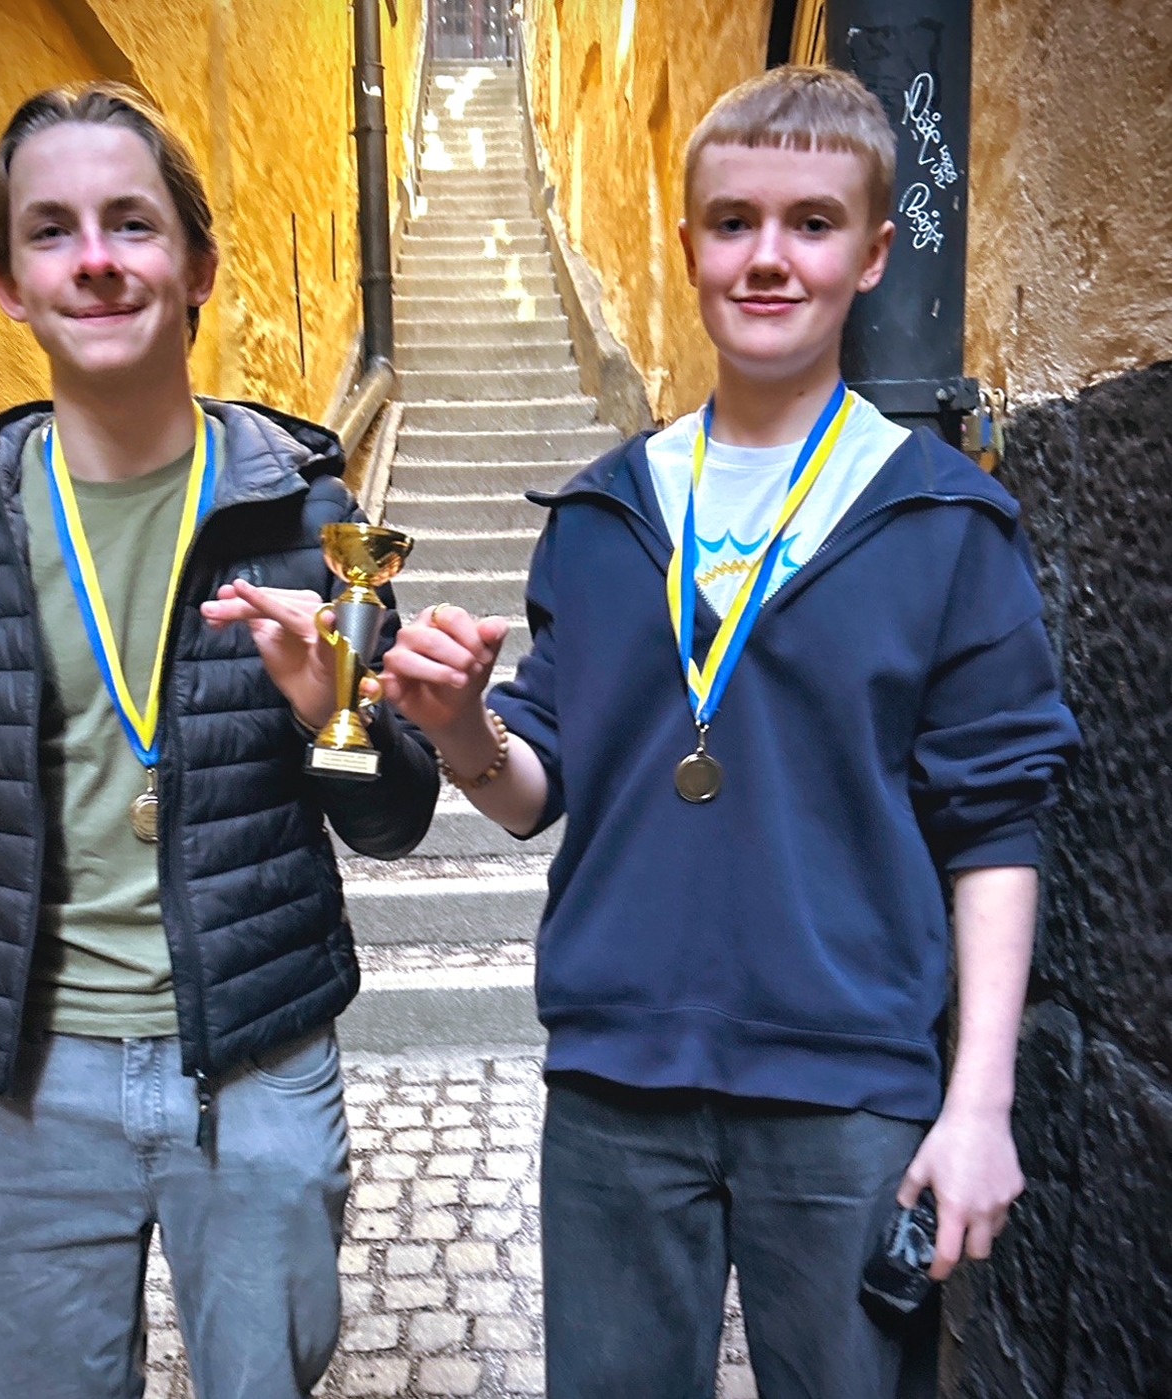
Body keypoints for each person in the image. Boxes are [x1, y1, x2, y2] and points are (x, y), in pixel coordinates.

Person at [379, 65, 1079, 1399]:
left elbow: (996, 827)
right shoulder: (603, 516)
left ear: (872, 254)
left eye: (812, 223)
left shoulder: (945, 521)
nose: (768, 257)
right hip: (616, 1081)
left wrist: (978, 1103)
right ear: (688, 242)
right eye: (732, 221)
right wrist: (462, 724)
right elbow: (531, 790)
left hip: (847, 1091)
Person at [0, 81, 436, 1399]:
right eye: (51, 231)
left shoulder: (308, 520)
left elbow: (392, 819)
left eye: (132, 222)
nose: (97, 259)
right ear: (6, 283)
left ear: (198, 267)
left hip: (256, 1066)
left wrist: (327, 712)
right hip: (20, 1084)